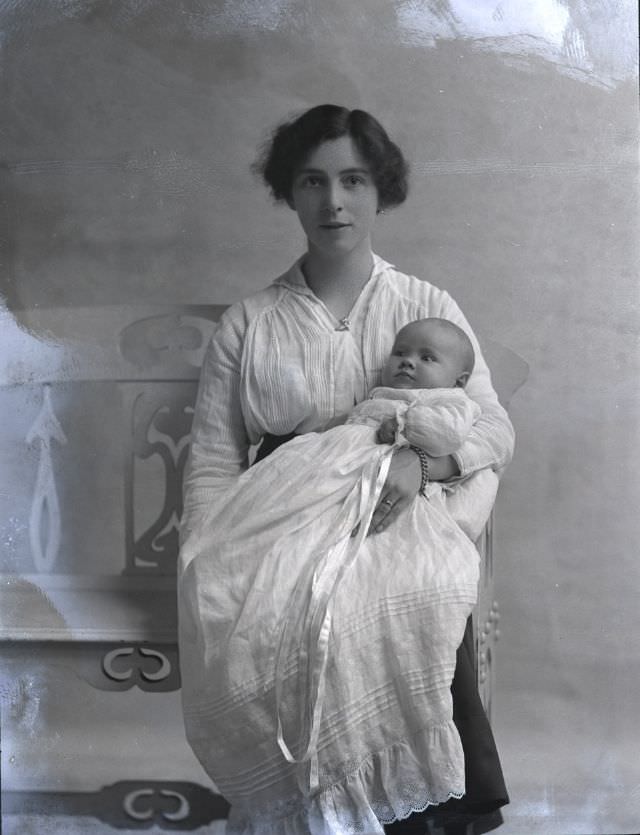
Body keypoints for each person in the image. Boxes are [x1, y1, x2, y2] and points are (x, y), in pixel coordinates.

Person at [178, 104, 513, 834]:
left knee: (413, 586)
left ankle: (414, 812)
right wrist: (205, 557)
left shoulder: (425, 303)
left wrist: (424, 464)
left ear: (379, 189)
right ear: (289, 192)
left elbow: (492, 427)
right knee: (269, 604)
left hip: (393, 509)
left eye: (353, 180)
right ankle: (310, 808)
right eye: (313, 181)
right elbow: (212, 459)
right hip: (276, 520)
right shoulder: (251, 319)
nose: (333, 201)